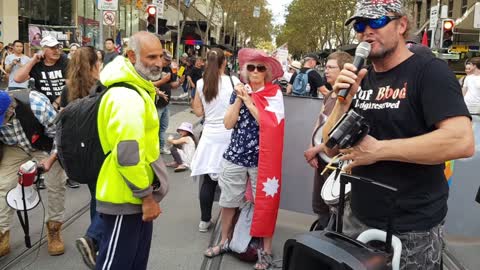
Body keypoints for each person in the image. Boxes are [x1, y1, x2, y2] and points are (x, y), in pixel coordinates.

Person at [322, 0, 474, 269]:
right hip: (357, 216)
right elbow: (330, 147)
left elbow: (461, 141)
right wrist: (343, 100)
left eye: (377, 22)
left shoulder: (430, 72)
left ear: (402, 25)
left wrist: (379, 150)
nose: (366, 30)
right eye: (360, 24)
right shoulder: (362, 77)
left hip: (412, 227)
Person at [204, 48, 285, 270]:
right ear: (245, 71)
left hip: (263, 160)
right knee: (229, 201)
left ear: (267, 72)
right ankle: (224, 241)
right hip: (236, 155)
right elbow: (228, 123)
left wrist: (249, 100)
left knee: (264, 203)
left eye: (261, 68)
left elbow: (268, 124)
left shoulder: (273, 94)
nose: (256, 71)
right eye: (252, 67)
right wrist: (239, 99)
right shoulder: (237, 92)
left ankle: (266, 251)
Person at [94, 31, 165, 270]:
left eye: (161, 56)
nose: (158, 63)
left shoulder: (137, 89)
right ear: (132, 55)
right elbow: (128, 153)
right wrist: (145, 197)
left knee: (133, 263)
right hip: (125, 197)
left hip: (133, 196)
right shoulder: (126, 96)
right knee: (117, 264)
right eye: (151, 57)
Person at [0, 88, 66, 257]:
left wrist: (51, 159)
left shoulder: (36, 103)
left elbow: (60, 133)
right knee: (3, 184)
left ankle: (54, 228)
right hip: (14, 147)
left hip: (44, 145)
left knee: (55, 183)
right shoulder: (5, 112)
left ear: (10, 108)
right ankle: (2, 233)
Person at [59, 47, 103, 269]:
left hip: (79, 153)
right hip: (99, 151)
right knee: (104, 199)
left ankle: (97, 243)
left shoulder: (68, 89)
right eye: (100, 62)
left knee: (97, 196)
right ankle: (94, 239)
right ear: (94, 64)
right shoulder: (102, 88)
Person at [191, 48, 239, 232]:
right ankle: (230, 224)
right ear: (223, 63)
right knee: (230, 181)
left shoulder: (201, 83)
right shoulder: (233, 81)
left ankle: (204, 221)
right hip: (230, 136)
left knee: (208, 182)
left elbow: (198, 111)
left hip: (209, 137)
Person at [303, 51, 353, 229]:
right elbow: (320, 121)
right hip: (321, 161)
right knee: (320, 205)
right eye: (326, 67)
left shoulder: (349, 98)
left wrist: (315, 150)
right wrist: (312, 144)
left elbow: (341, 136)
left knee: (335, 208)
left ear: (343, 71)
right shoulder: (329, 94)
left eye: (331, 67)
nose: (326, 71)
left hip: (336, 165)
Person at [14, 36, 69, 109]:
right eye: (52, 48)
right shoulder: (37, 64)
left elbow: (71, 86)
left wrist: (57, 102)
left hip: (64, 106)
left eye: (57, 47)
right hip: (43, 107)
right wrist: (33, 61)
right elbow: (18, 79)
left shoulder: (65, 61)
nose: (56, 50)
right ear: (43, 50)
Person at [153, 49, 179, 154]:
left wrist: (179, 81)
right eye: (165, 60)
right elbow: (148, 84)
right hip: (156, 103)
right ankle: (154, 148)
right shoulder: (153, 68)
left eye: (169, 60)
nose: (167, 62)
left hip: (166, 103)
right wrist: (162, 82)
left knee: (163, 127)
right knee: (155, 128)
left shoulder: (168, 68)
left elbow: (173, 84)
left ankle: (161, 147)